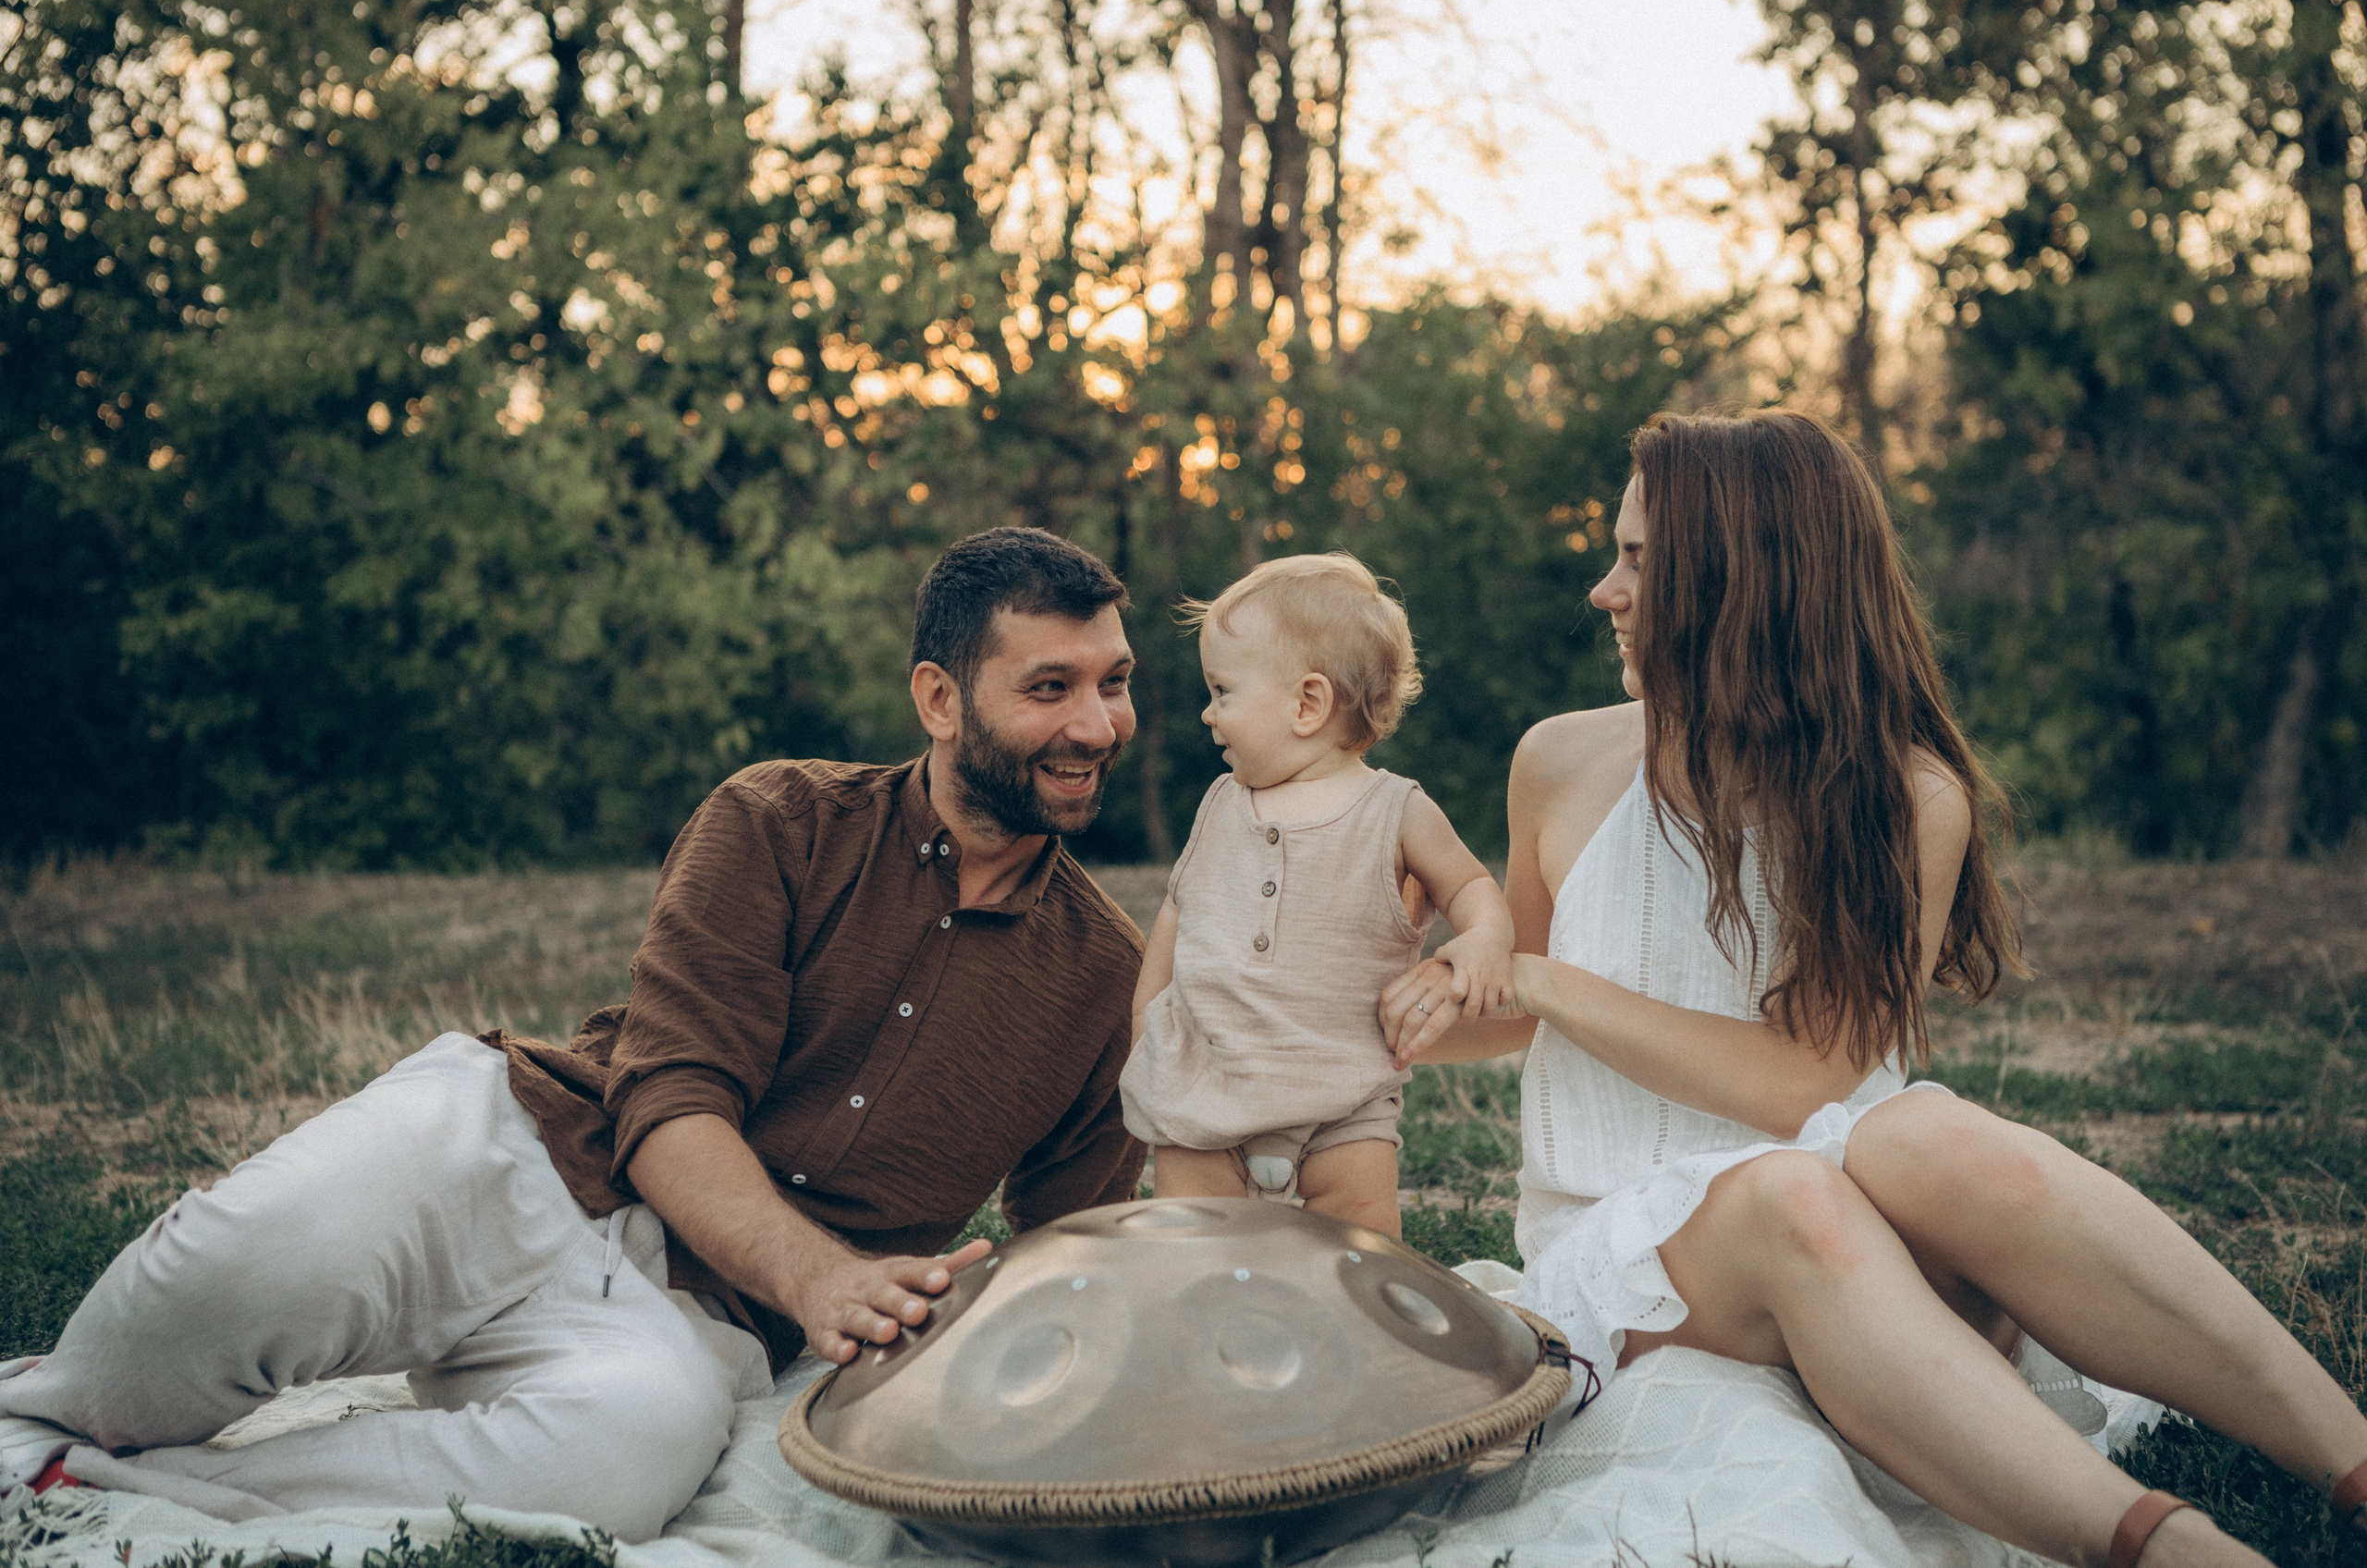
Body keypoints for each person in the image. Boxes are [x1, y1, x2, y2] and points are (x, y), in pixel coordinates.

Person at [0, 527, 1151, 1542]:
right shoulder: (778, 819)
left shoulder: (1109, 977)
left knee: (621, 1466)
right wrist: (825, 1280)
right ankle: (51, 1420)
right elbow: (671, 1104)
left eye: (1114, 683)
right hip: (518, 1155)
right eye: (1049, 687)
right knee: (226, 1283)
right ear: (940, 699)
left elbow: (1079, 1250)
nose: (1096, 725)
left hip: (698, 1326)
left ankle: (114, 1485)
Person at [1381, 410, 2367, 1568]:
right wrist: (1369, 1014)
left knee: (1927, 1136)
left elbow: (1809, 1083)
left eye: (1640, 559)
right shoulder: (1560, 758)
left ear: (1739, 578)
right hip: (1643, 1253)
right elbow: (1502, 1007)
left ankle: (2350, 1461)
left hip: (1877, 1231)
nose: (1605, 590)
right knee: (1791, 1198)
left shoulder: (1906, 794)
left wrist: (1548, 984)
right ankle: (2170, 1550)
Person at [1122, 553, 1514, 1236]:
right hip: (1207, 1087)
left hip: (1345, 1103)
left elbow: (1473, 884)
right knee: (1189, 1246)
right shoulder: (1221, 802)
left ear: (1307, 704)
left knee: (1361, 1246)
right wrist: (1147, 1025)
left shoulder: (1397, 810)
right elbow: (1179, 915)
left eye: (1222, 691)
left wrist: (1483, 937)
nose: (1208, 715)